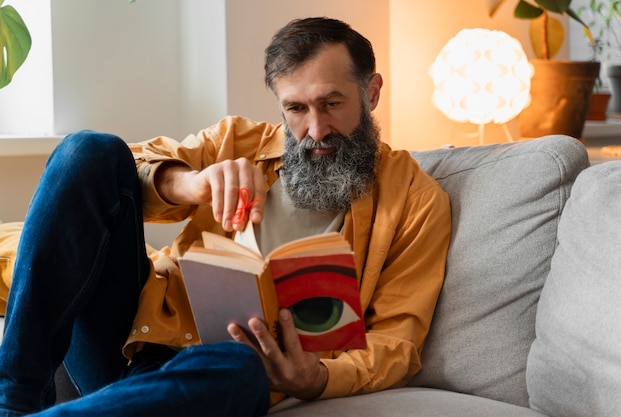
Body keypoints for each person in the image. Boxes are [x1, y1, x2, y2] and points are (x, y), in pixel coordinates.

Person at [0, 16, 451, 417]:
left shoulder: (416, 200)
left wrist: (315, 379)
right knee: (88, 149)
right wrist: (188, 184)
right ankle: (13, 400)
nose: (315, 130)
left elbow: (397, 342)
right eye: (296, 108)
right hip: (132, 333)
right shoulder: (238, 141)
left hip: (225, 370)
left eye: (332, 103)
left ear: (371, 93)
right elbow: (113, 172)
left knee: (240, 365)